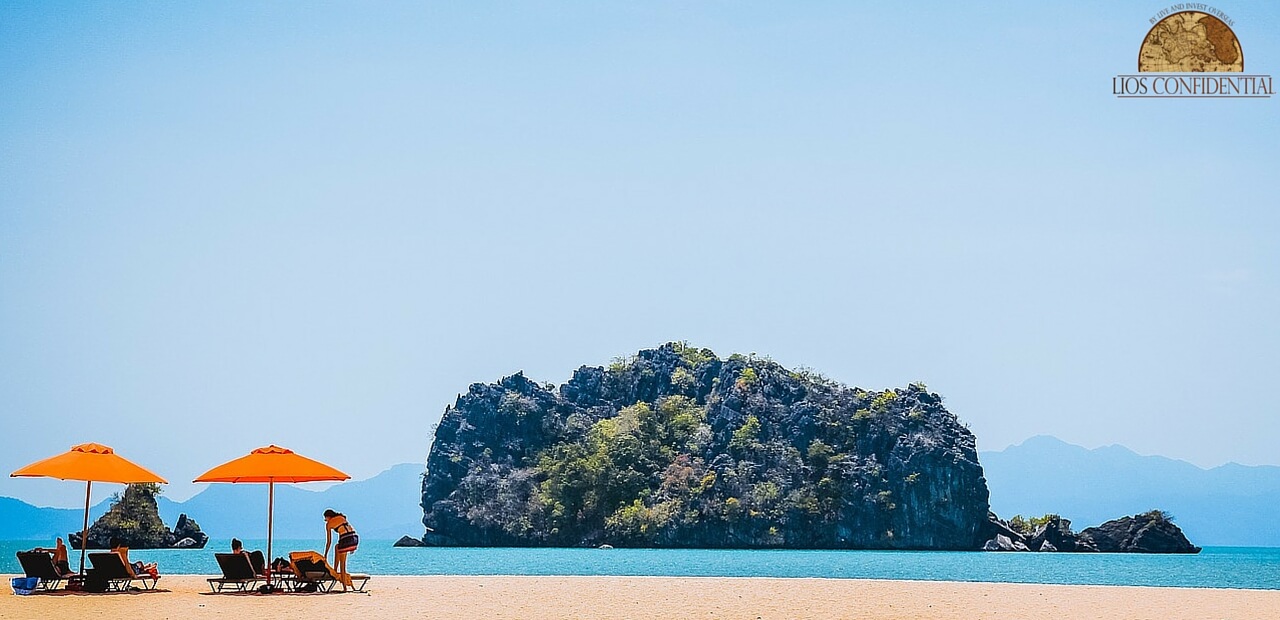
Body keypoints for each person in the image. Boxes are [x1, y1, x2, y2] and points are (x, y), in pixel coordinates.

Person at [323, 509, 358, 591]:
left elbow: (329, 541)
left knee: (342, 565)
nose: (325, 521)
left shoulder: (329, 524)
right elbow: (344, 533)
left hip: (346, 540)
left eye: (325, 519)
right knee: (337, 547)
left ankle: (344, 587)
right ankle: (335, 569)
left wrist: (325, 554)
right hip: (354, 538)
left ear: (328, 517)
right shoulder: (342, 517)